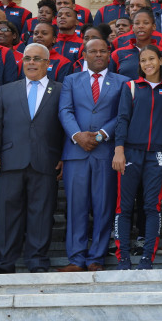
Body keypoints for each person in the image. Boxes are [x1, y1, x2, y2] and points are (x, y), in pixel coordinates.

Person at [0, 43, 64, 274]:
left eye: (37, 59)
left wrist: (63, 157)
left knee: (41, 213)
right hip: (9, 160)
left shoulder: (60, 90)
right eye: (27, 58)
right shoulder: (6, 90)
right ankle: (4, 262)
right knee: (7, 214)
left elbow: (66, 125)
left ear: (48, 64)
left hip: (46, 160)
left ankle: (37, 261)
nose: (31, 62)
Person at [57, 38, 130, 272]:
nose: (98, 55)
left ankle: (96, 258)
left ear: (109, 54)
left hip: (106, 153)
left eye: (102, 51)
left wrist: (100, 135)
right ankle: (76, 259)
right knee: (76, 207)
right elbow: (65, 110)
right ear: (85, 55)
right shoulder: (70, 80)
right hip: (76, 153)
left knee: (103, 206)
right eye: (93, 51)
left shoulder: (122, 82)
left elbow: (122, 114)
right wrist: (78, 135)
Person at [112, 44, 162, 270]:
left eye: (152, 58)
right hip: (130, 153)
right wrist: (119, 149)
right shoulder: (131, 86)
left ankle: (147, 258)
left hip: (157, 155)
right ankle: (123, 258)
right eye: (143, 60)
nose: (147, 63)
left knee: (151, 207)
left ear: (161, 61)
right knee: (124, 207)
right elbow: (122, 119)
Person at [112, 9, 162, 80]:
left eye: (146, 23)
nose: (141, 26)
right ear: (132, 28)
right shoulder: (118, 53)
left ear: (154, 26)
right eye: (137, 23)